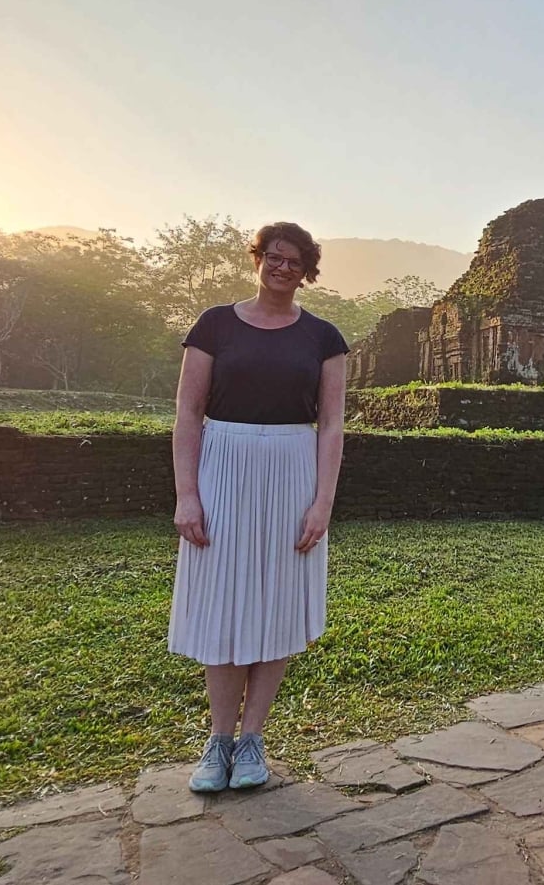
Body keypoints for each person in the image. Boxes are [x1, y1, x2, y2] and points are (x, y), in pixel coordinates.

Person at [168, 222, 348, 792]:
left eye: (295, 262)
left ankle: (252, 740)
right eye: (275, 256)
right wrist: (187, 493)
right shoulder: (215, 325)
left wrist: (322, 501)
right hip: (224, 463)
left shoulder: (324, 337)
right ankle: (218, 739)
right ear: (259, 259)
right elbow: (188, 413)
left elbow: (332, 423)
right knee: (224, 599)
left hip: (292, 468)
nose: (283, 268)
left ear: (307, 270)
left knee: (275, 603)